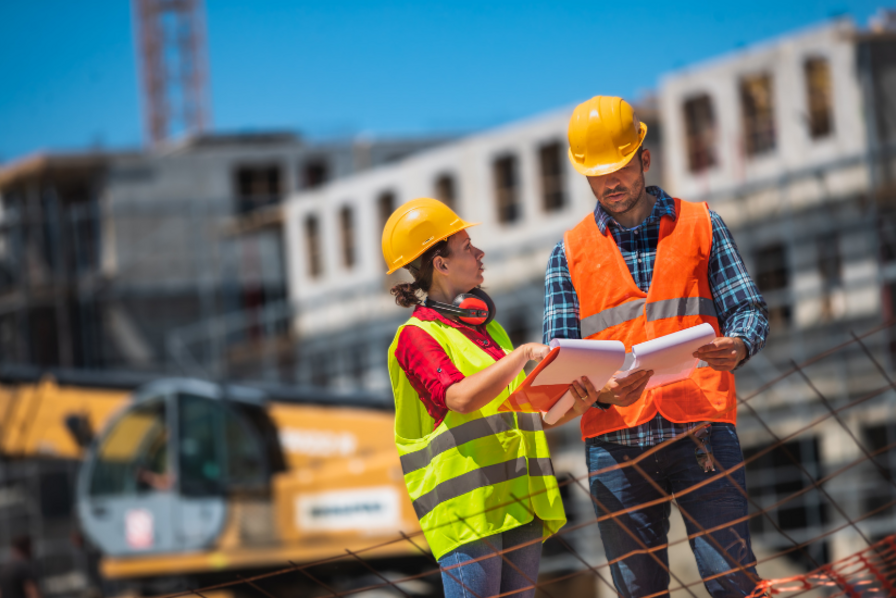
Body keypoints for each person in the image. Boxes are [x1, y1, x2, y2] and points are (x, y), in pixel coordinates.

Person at [543, 96, 770, 597]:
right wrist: (603, 394)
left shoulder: (701, 223)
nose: (610, 184)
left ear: (644, 158)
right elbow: (559, 372)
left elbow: (748, 309)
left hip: (702, 431)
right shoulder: (569, 253)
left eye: (619, 168)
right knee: (639, 592)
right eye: (597, 175)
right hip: (616, 448)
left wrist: (740, 344)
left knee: (735, 585)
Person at [383, 198, 594, 598]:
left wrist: (571, 407)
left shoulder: (488, 332)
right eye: (467, 247)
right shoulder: (416, 336)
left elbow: (522, 416)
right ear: (441, 264)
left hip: (520, 499)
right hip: (469, 514)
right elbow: (460, 398)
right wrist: (521, 355)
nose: (480, 253)